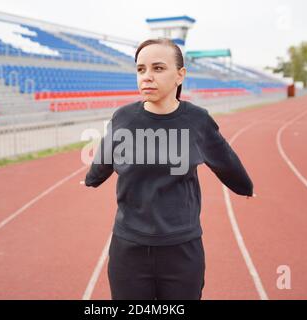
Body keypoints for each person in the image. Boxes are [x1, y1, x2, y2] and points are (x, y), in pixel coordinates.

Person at [84, 38, 254, 300]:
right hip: (129, 249)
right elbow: (105, 155)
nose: (147, 77)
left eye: (158, 68)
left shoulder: (196, 120)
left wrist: (245, 186)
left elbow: (224, 158)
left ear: (180, 75)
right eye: (141, 70)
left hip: (182, 249)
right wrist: (92, 178)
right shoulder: (124, 117)